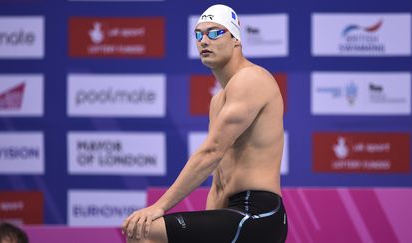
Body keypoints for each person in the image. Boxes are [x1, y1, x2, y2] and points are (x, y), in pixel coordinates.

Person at [122, 4, 288, 243]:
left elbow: (210, 152)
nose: (204, 41)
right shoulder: (218, 101)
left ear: (235, 39)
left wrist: (159, 206)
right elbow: (219, 182)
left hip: (258, 214)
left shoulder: (252, 79)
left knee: (144, 234)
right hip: (234, 213)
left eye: (214, 32)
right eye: (199, 34)